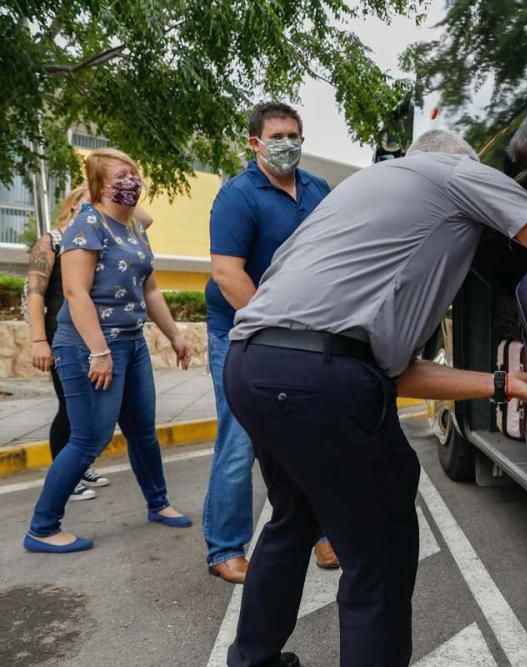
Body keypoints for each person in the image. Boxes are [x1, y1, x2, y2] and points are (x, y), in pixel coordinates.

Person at [222, 128, 527, 666]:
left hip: (252, 366)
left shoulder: (360, 194)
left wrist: (503, 384)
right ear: (464, 162)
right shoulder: (457, 173)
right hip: (321, 377)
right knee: (380, 556)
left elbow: (386, 375)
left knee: (292, 520)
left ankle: (252, 661)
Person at [23, 148, 192, 554]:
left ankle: (159, 503)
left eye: (134, 173)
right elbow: (74, 292)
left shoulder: (135, 229)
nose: (131, 180)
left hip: (131, 342)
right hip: (89, 345)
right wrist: (100, 352)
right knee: (88, 439)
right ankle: (43, 527)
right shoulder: (86, 225)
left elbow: (149, 289)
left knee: (142, 432)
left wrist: (174, 334)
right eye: (120, 175)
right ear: (98, 186)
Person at [203, 102, 336, 584]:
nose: (288, 144)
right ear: (255, 143)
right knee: (239, 440)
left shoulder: (317, 189)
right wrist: (273, 325)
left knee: (310, 436)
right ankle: (225, 547)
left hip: (301, 331)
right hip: (240, 330)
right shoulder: (238, 196)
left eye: (295, 135)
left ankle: (323, 533)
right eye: (277, 136)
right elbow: (226, 273)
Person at [25, 187, 156, 502]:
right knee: (70, 409)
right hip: (66, 336)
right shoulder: (52, 240)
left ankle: (79, 470)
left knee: (90, 418)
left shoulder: (105, 236)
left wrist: (116, 195)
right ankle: (65, 476)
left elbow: (146, 218)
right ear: (72, 206)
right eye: (87, 201)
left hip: (101, 334)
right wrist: (39, 340)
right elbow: (35, 294)